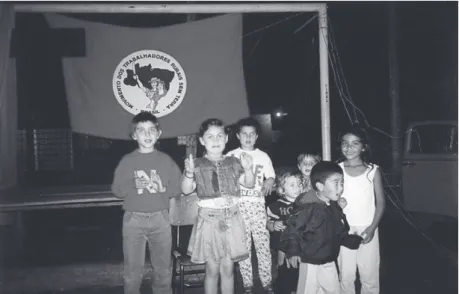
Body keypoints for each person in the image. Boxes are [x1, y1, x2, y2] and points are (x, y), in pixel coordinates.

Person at [181, 118, 255, 294]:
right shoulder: (196, 164)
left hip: (232, 220)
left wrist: (249, 169)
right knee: (212, 270)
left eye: (220, 136)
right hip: (210, 221)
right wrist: (189, 174)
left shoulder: (235, 162)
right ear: (202, 141)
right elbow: (185, 190)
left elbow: (249, 184)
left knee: (228, 269)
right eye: (210, 137)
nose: (215, 141)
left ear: (227, 139)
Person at [111, 112, 182, 294]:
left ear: (158, 133)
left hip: (161, 219)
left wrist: (163, 188)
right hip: (133, 220)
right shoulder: (127, 161)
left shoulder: (166, 160)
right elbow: (116, 190)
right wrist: (131, 185)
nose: (147, 134)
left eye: (151, 130)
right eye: (141, 131)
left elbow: (178, 188)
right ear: (134, 135)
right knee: (133, 269)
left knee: (163, 269)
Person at [279, 161, 350, 294]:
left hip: (328, 260)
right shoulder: (308, 207)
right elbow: (292, 229)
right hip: (309, 262)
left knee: (335, 290)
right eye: (336, 183)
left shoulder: (333, 206)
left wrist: (348, 237)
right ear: (320, 186)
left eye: (342, 183)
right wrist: (293, 251)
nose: (341, 188)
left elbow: (338, 229)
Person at [226, 117, 275, 293]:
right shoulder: (231, 155)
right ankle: (247, 282)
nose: (248, 137)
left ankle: (267, 281)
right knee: (243, 246)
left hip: (257, 205)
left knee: (262, 244)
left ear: (257, 136)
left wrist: (269, 180)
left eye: (252, 134)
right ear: (238, 135)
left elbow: (270, 175)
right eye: (244, 134)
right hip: (238, 206)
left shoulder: (263, 156)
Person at [337, 126, 386, 294]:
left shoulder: (373, 171)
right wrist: (337, 202)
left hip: (367, 227)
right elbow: (329, 197)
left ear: (363, 147)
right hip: (344, 229)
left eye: (355, 143)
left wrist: (372, 228)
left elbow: (380, 202)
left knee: (369, 275)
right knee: (346, 275)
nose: (349, 148)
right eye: (345, 143)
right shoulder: (337, 169)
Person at [266, 171, 303, 294]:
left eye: (299, 184)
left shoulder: (307, 204)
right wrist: (273, 225)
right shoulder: (275, 206)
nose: (297, 187)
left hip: (303, 247)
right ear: (282, 189)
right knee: (285, 275)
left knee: (301, 278)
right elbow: (268, 224)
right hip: (283, 248)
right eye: (292, 185)